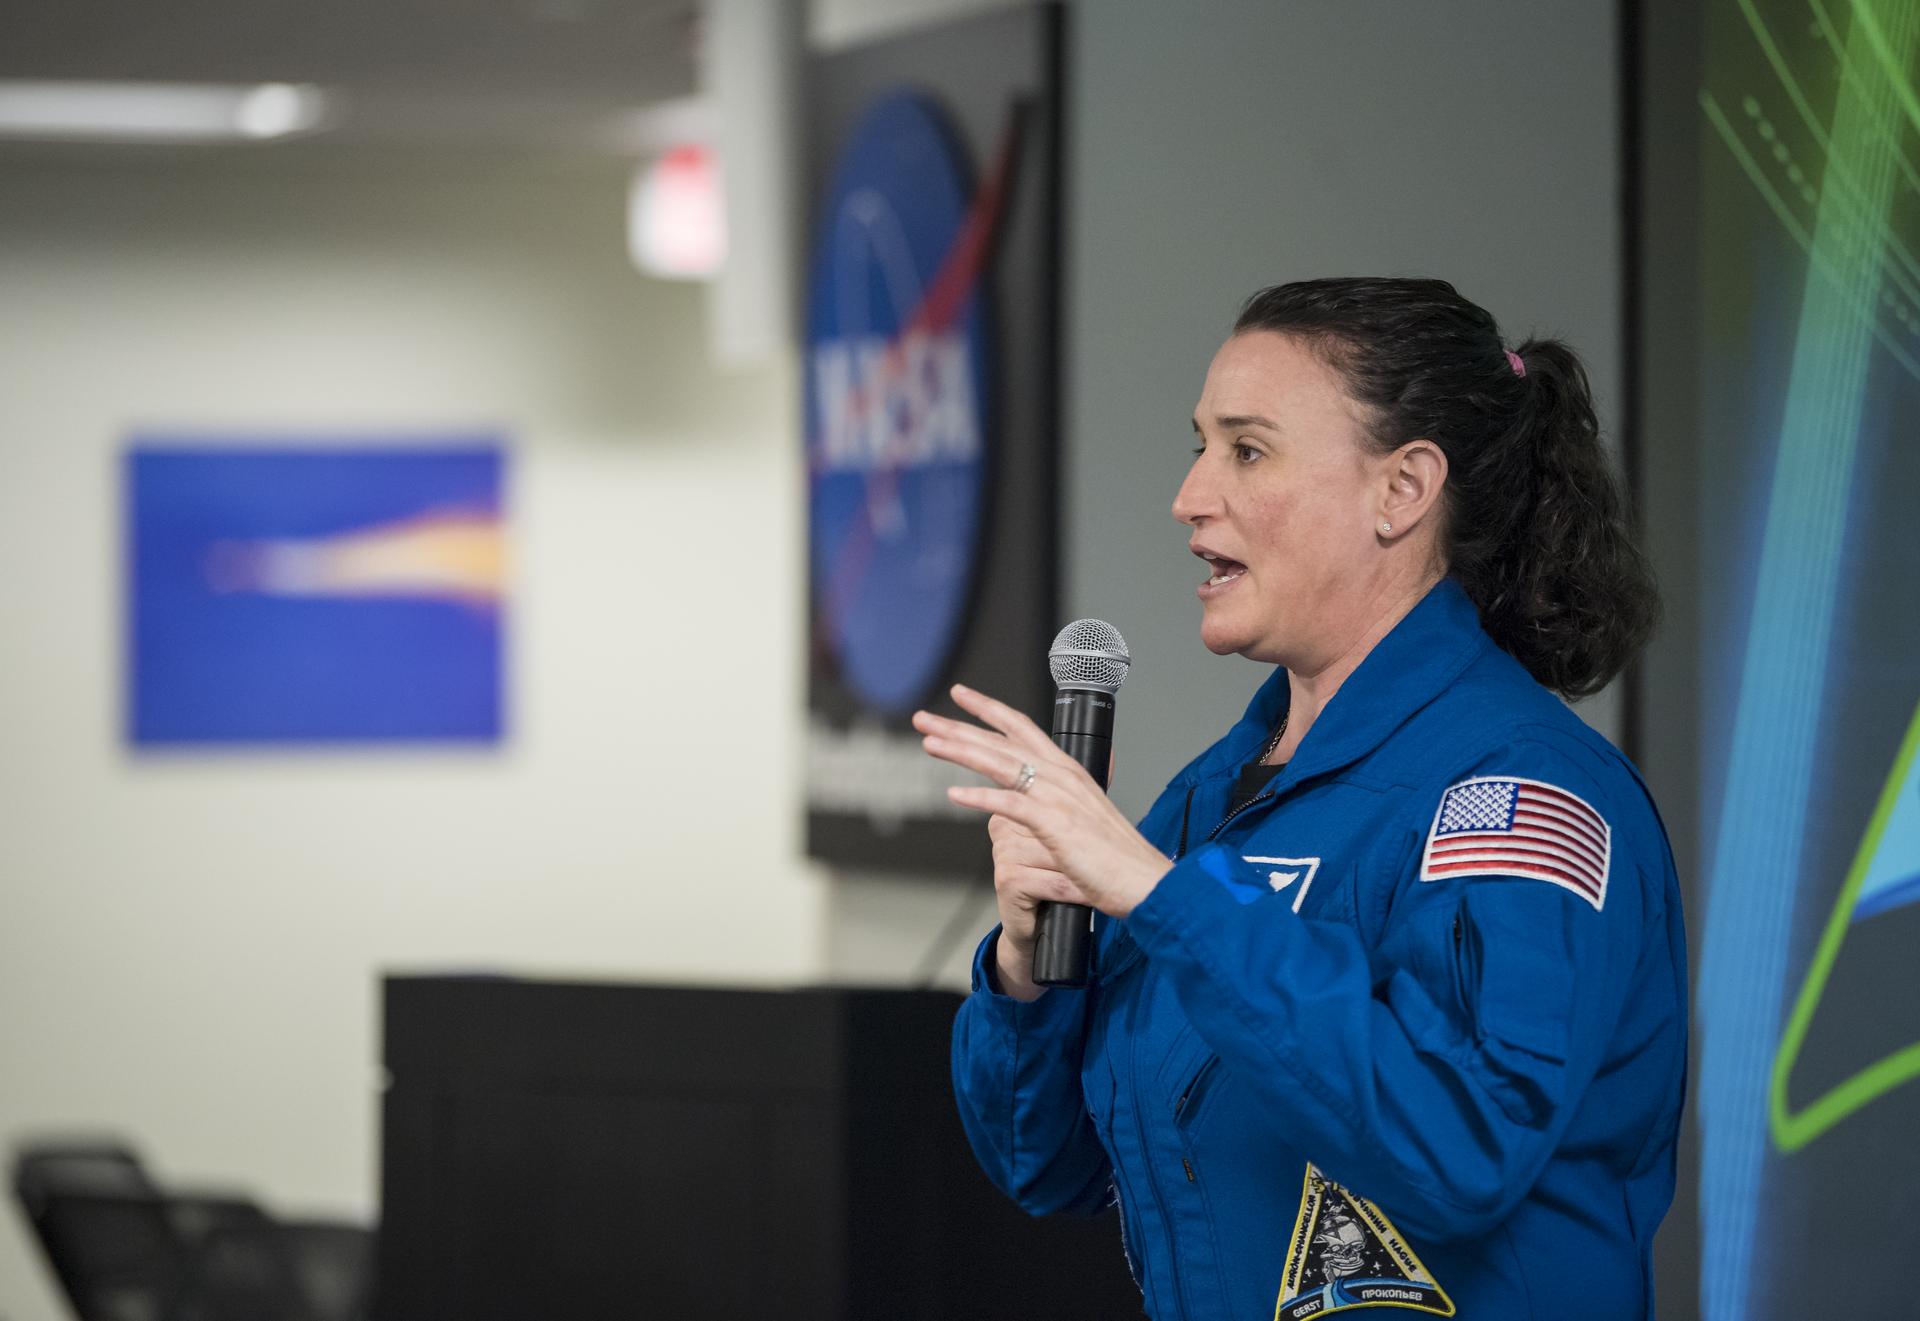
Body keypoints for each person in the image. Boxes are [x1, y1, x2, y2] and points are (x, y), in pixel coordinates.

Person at [913, 277, 1684, 1321]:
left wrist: (1160, 899)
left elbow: (1458, 1149)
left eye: (1248, 449)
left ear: (1402, 489)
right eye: (1200, 446)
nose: (1190, 497)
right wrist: (1025, 966)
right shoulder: (1207, 801)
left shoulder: (1518, 795)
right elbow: (1045, 1163)